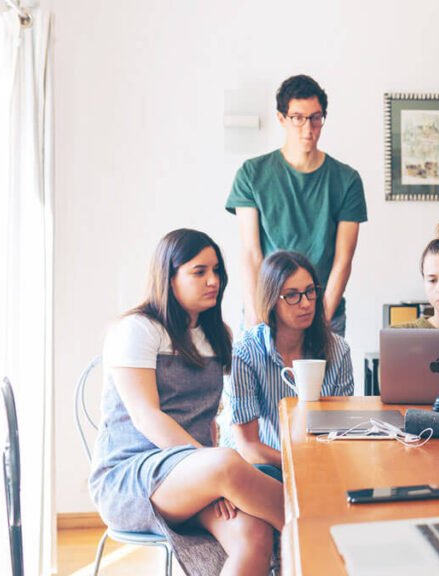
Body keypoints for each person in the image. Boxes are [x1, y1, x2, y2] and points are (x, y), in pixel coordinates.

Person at [90, 229, 283, 575]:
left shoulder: (217, 334)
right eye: (199, 272)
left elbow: (208, 419)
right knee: (228, 463)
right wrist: (212, 471)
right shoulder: (137, 329)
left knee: (253, 533)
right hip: (133, 478)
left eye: (217, 271)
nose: (213, 281)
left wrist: (212, 476)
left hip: (196, 474)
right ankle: (323, 531)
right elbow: (146, 416)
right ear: (169, 276)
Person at [227, 74, 367, 336]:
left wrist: (322, 320)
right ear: (282, 118)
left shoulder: (347, 180)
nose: (308, 128)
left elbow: (343, 260)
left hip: (324, 310)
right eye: (298, 118)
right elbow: (251, 253)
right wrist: (256, 317)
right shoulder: (252, 174)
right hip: (268, 309)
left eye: (315, 118)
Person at [223, 250, 353, 472]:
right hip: (263, 466)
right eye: (292, 295)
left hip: (320, 463)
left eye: (310, 291)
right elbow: (248, 448)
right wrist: (301, 464)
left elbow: (341, 431)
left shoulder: (338, 349)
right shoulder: (245, 352)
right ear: (271, 300)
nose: (306, 304)